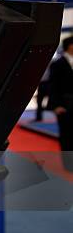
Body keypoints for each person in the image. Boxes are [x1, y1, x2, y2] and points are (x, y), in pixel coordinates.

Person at [48, 36, 73, 172]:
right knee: (67, 136)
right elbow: (53, 86)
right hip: (64, 105)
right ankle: (69, 165)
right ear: (69, 46)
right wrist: (56, 105)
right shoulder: (58, 64)